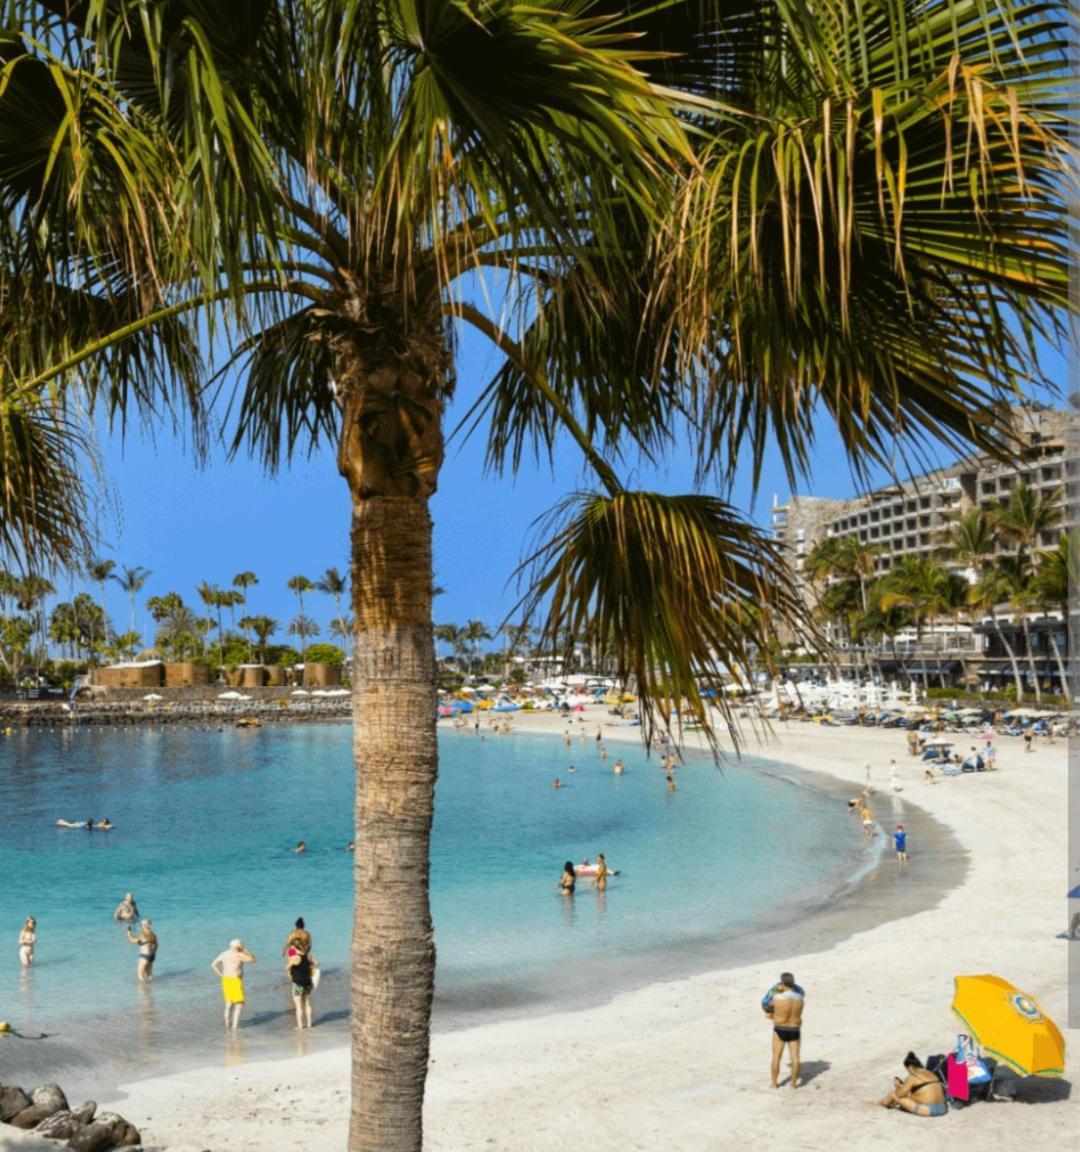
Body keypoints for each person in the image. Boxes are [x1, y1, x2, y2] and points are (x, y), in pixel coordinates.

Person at [762, 971, 804, 1089]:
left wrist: (776, 989)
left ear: (782, 983)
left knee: (776, 1057)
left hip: (780, 1028)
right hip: (794, 1029)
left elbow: (766, 1006)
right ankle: (794, 1085)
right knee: (795, 1058)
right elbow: (800, 993)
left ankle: (774, 1084)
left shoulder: (776, 998)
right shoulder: (800, 999)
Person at [877, 1051, 947, 1117]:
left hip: (928, 1110)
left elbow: (899, 1094)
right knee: (910, 1094)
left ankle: (881, 1104)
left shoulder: (913, 1076)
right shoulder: (931, 1073)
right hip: (943, 1108)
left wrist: (897, 1086)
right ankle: (883, 1103)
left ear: (910, 1067)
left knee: (893, 1094)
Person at [211, 939, 257, 1030]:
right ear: (238, 947)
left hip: (226, 980)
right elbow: (253, 960)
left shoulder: (224, 954)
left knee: (228, 1004)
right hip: (236, 981)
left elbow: (213, 965)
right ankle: (234, 1028)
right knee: (239, 1004)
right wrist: (246, 950)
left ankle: (227, 1025)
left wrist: (221, 974)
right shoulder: (239, 955)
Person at [286, 948, 318, 1028]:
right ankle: (309, 1024)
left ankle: (300, 1026)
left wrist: (290, 964)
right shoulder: (308, 955)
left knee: (298, 1005)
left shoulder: (293, 956)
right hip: (307, 982)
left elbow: (287, 968)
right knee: (307, 1003)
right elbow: (317, 962)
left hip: (298, 984)